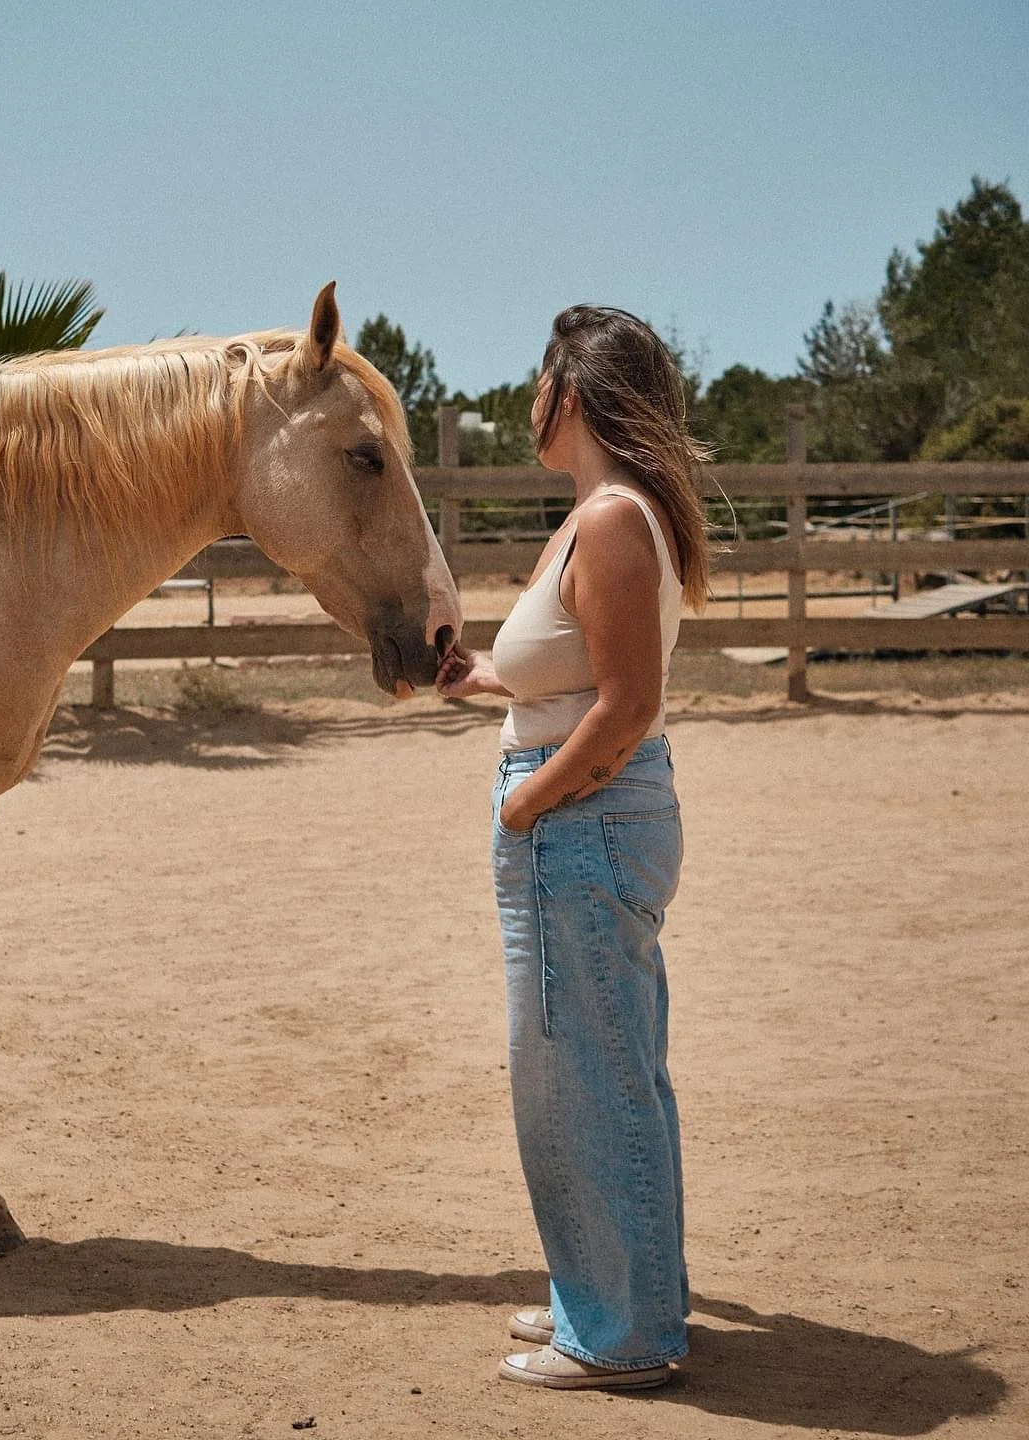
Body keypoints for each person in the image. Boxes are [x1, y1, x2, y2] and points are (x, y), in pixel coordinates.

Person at [437, 305, 710, 1391]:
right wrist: (481, 681)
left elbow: (628, 705)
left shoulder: (607, 519)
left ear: (573, 392)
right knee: (595, 1070)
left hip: (581, 823)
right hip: (591, 819)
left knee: (586, 1077)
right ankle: (603, 1296)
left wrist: (526, 805)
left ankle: (625, 1335)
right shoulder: (601, 514)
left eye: (540, 378)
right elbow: (583, 677)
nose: (526, 398)